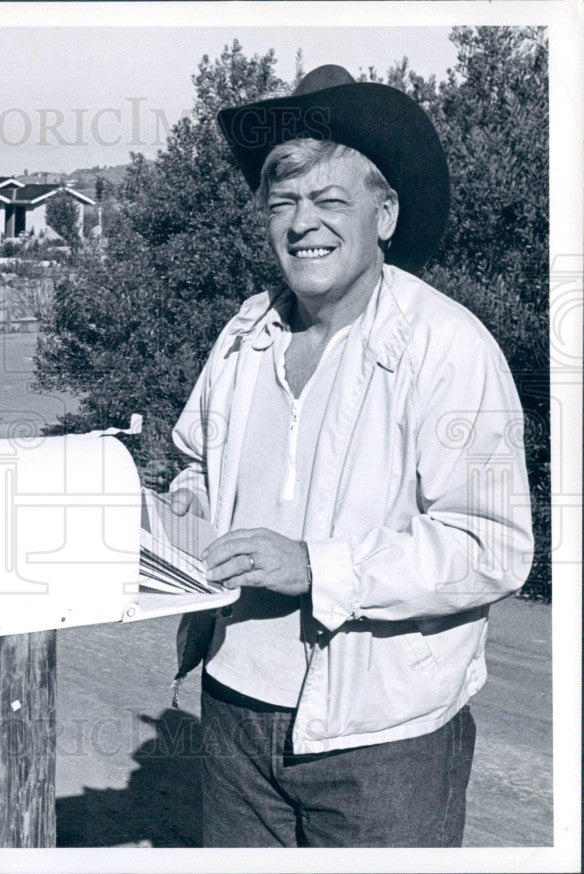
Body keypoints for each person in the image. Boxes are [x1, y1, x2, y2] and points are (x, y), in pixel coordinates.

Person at [167, 65, 533, 848]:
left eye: (331, 200)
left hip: (384, 741)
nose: (305, 223)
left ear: (386, 213)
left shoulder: (450, 349)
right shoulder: (240, 338)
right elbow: (196, 465)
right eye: (284, 202)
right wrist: (188, 505)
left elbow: (492, 546)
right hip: (232, 712)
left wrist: (315, 567)